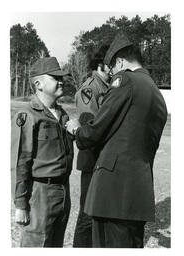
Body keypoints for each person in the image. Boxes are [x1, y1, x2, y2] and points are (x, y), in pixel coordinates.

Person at [66, 31, 168, 248]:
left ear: (120, 62)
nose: (111, 74)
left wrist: (77, 130)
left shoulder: (126, 81)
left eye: (111, 68)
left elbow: (96, 130)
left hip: (112, 194)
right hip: (137, 194)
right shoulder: (156, 92)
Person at [11, 57, 74, 247]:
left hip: (63, 190)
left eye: (61, 77)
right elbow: (20, 162)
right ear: (38, 84)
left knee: (55, 244)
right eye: (55, 77)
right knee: (37, 244)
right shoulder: (28, 116)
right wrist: (21, 204)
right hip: (40, 194)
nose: (61, 81)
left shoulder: (62, 114)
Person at [73, 51, 110, 247]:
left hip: (103, 159)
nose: (111, 68)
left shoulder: (108, 87)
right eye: (108, 64)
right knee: (87, 214)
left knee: (99, 212)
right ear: (99, 66)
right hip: (92, 158)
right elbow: (90, 128)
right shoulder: (90, 89)